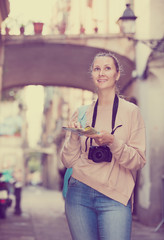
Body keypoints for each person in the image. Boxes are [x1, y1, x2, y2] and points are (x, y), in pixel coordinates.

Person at [60, 52, 146, 240]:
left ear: (117, 74)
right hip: (79, 193)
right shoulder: (81, 113)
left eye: (107, 68)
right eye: (96, 68)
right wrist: (74, 137)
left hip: (115, 196)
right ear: (92, 74)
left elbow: (138, 161)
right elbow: (68, 160)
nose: (101, 73)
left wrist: (113, 143)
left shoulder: (132, 112)